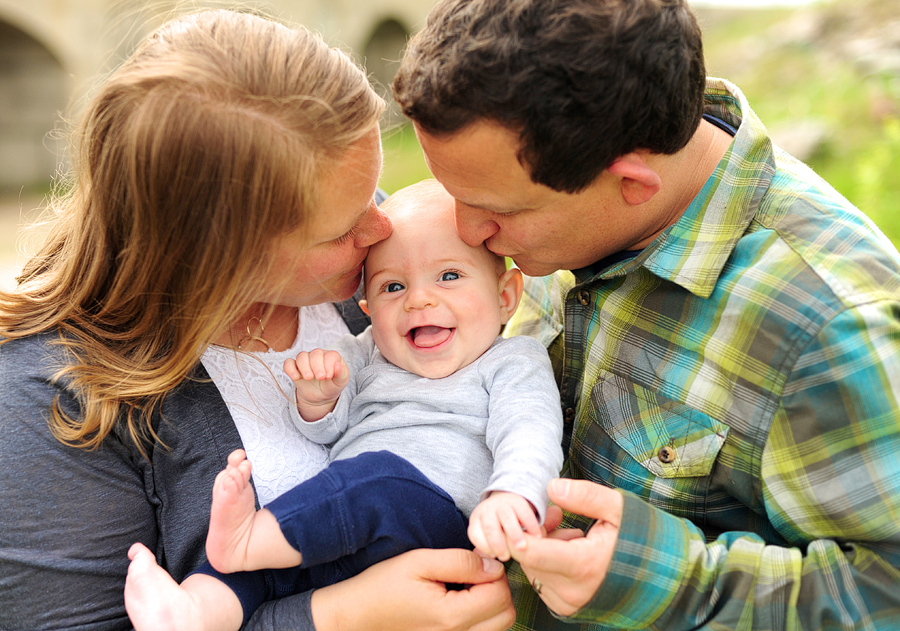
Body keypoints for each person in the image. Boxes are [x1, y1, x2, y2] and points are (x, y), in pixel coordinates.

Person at [0, 10, 517, 631]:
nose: (381, 227)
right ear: (216, 255)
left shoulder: (378, 265)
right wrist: (343, 616)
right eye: (340, 228)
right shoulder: (51, 396)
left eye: (371, 192)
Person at [392, 0, 900, 629]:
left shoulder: (825, 325)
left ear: (632, 183)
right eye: (455, 195)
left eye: (497, 208)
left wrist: (666, 580)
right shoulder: (572, 202)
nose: (468, 231)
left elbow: (887, 591)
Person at [123, 179, 564, 631]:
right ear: (368, 307)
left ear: (506, 296)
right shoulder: (368, 349)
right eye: (393, 287)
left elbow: (530, 432)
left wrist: (512, 494)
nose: (419, 299)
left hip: (436, 519)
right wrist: (319, 400)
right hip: (348, 533)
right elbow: (326, 432)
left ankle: (250, 537)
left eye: (449, 276)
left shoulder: (510, 360)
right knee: (254, 572)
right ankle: (193, 612)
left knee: (377, 479)